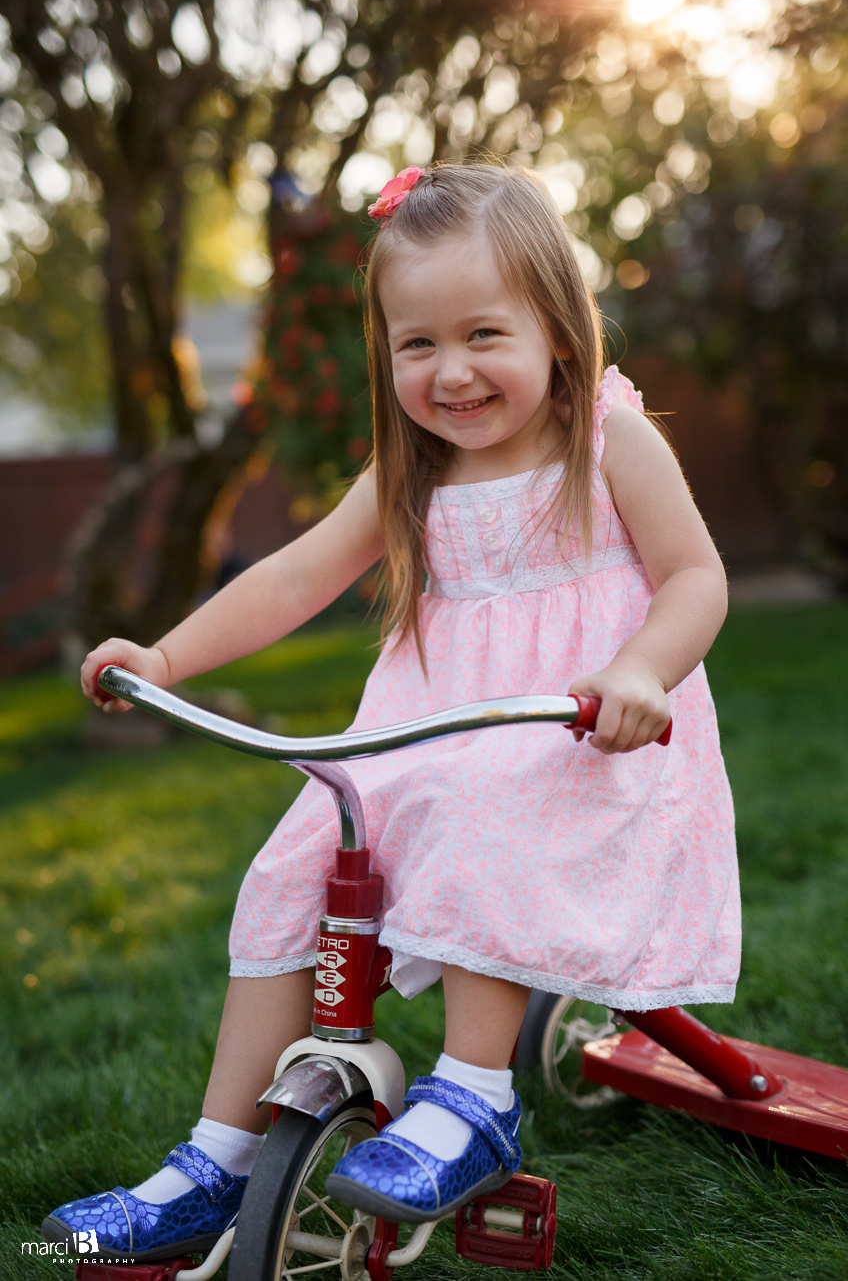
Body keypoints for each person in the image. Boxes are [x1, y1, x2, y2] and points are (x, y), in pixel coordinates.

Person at [44, 162, 736, 1259]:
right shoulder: (410, 471)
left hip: (579, 731)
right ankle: (215, 1159)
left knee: (484, 817)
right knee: (288, 873)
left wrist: (642, 668)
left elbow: (698, 577)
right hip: (422, 735)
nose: (451, 373)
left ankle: (475, 1095)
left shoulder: (608, 440)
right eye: (418, 346)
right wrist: (167, 655)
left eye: (483, 336)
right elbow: (291, 577)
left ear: (559, 328)